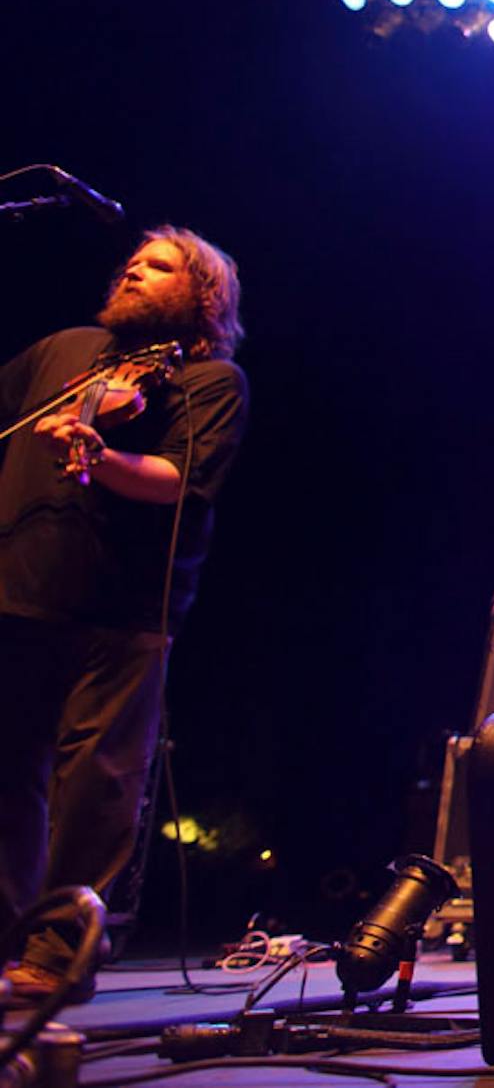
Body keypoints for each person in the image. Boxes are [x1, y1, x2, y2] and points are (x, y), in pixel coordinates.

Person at [0, 227, 248, 1007]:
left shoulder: (208, 380)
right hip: (17, 587)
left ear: (202, 296)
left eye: (160, 266)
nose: (136, 271)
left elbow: (177, 479)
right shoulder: (66, 349)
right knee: (6, 776)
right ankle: (7, 936)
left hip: (123, 609)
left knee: (96, 786)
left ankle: (58, 954)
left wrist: (99, 457)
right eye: (134, 263)